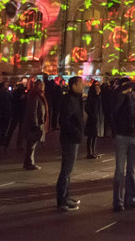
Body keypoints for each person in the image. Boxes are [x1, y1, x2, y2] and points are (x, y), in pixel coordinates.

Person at [111, 78, 135, 212]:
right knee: (119, 170)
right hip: (122, 136)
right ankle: (118, 201)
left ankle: (131, 198)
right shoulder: (118, 97)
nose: (131, 88)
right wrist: (121, 92)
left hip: (134, 135)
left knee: (131, 169)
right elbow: (113, 109)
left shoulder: (133, 97)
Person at [56, 76, 84, 212]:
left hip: (73, 138)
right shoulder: (69, 100)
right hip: (70, 139)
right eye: (80, 84)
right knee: (66, 170)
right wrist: (76, 132)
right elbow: (65, 120)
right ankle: (62, 200)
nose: (83, 86)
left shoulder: (75, 99)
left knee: (68, 170)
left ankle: (66, 197)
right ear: (73, 85)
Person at [23, 79, 48, 170]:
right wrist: (35, 124)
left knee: (32, 144)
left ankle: (28, 162)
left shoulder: (38, 95)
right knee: (32, 144)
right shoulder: (35, 96)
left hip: (37, 123)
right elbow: (33, 111)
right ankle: (30, 162)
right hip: (34, 124)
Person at [4, 78, 28, 149]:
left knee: (12, 128)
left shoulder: (15, 92)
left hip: (16, 112)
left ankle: (7, 143)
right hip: (20, 112)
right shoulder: (22, 93)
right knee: (19, 129)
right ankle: (18, 144)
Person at [84, 80, 104, 159]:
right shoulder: (92, 98)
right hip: (92, 119)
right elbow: (88, 108)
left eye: (99, 87)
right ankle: (90, 152)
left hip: (97, 118)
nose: (98, 89)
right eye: (96, 87)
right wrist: (92, 115)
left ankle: (93, 152)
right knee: (91, 136)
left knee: (94, 136)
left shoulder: (99, 97)